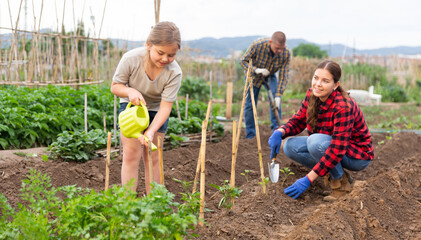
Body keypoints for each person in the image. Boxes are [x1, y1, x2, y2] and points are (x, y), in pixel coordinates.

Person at [268, 60, 374, 201]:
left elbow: (337, 150)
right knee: (289, 146)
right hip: (327, 144)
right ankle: (338, 174)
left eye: (325, 81)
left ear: (335, 85)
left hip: (356, 155)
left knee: (315, 142)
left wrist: (308, 179)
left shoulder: (343, 106)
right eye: (316, 78)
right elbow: (299, 120)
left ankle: (340, 186)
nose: (318, 84)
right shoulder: (313, 95)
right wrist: (280, 132)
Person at [111, 21, 182, 194]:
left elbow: (166, 107)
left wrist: (150, 131)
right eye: (160, 53)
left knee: (153, 156)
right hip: (132, 108)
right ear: (149, 45)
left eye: (171, 55)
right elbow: (115, 86)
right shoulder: (131, 59)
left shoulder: (174, 73)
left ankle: (154, 203)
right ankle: (128, 203)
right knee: (131, 155)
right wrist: (129, 91)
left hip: (157, 110)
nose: (165, 59)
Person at [240, 31, 291, 139]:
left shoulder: (286, 54)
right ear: (270, 42)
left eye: (282, 48)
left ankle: (277, 131)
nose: (279, 51)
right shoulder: (258, 45)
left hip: (270, 75)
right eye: (277, 48)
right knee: (250, 104)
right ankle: (251, 135)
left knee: (276, 102)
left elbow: (284, 75)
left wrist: (278, 95)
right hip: (253, 76)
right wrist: (256, 70)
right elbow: (243, 61)